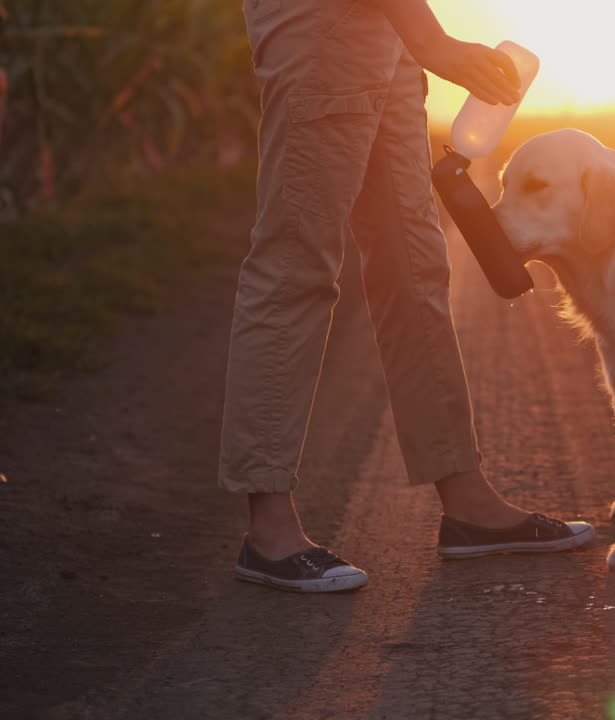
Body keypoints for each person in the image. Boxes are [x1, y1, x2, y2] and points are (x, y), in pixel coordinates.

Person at [222, 0, 592, 592]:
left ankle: (467, 502)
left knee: (414, 270)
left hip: (382, 33)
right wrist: (435, 41)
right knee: (297, 264)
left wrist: (413, 37)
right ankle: (268, 530)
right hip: (323, 26)